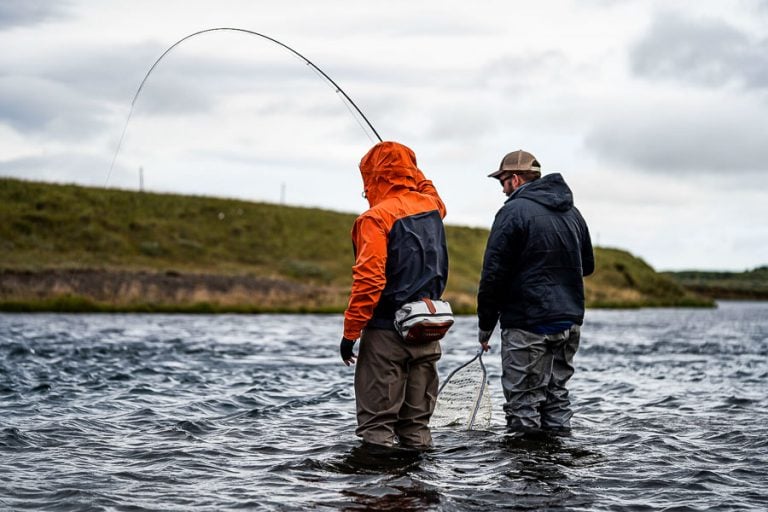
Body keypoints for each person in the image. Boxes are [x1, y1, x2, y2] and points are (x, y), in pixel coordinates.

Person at [339, 140, 449, 451]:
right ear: (410, 172)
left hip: (387, 334)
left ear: (371, 176)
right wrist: (413, 172)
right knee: (417, 427)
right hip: (428, 328)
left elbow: (369, 281)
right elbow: (428, 188)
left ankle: (378, 496)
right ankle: (419, 495)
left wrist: (350, 333)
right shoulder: (433, 208)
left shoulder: (374, 219)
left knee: (377, 428)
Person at [477, 149, 594, 434]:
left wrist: (485, 327)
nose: (502, 189)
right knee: (556, 397)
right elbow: (587, 265)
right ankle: (556, 466)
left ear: (515, 179)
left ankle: (525, 473)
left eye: (502, 181)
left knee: (523, 404)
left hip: (527, 325)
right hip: (568, 323)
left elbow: (493, 276)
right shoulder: (572, 212)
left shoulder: (512, 212)